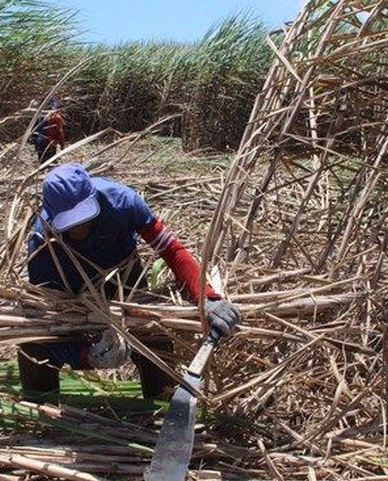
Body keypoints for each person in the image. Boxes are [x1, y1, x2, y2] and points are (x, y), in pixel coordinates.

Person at [21, 163, 241, 402]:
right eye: (71, 222)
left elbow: (171, 249)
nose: (80, 227)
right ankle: (42, 416)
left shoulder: (122, 202)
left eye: (85, 215)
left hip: (125, 284)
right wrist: (85, 357)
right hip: (70, 298)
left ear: (93, 196)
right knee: (33, 345)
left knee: (154, 335)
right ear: (53, 216)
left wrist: (206, 297)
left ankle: (159, 409)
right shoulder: (42, 243)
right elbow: (46, 316)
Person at [30, 99, 67, 165]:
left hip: (39, 141)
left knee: (42, 163)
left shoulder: (39, 116)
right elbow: (60, 132)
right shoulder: (56, 117)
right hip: (50, 142)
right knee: (51, 163)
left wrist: (34, 141)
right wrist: (62, 144)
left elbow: (34, 130)